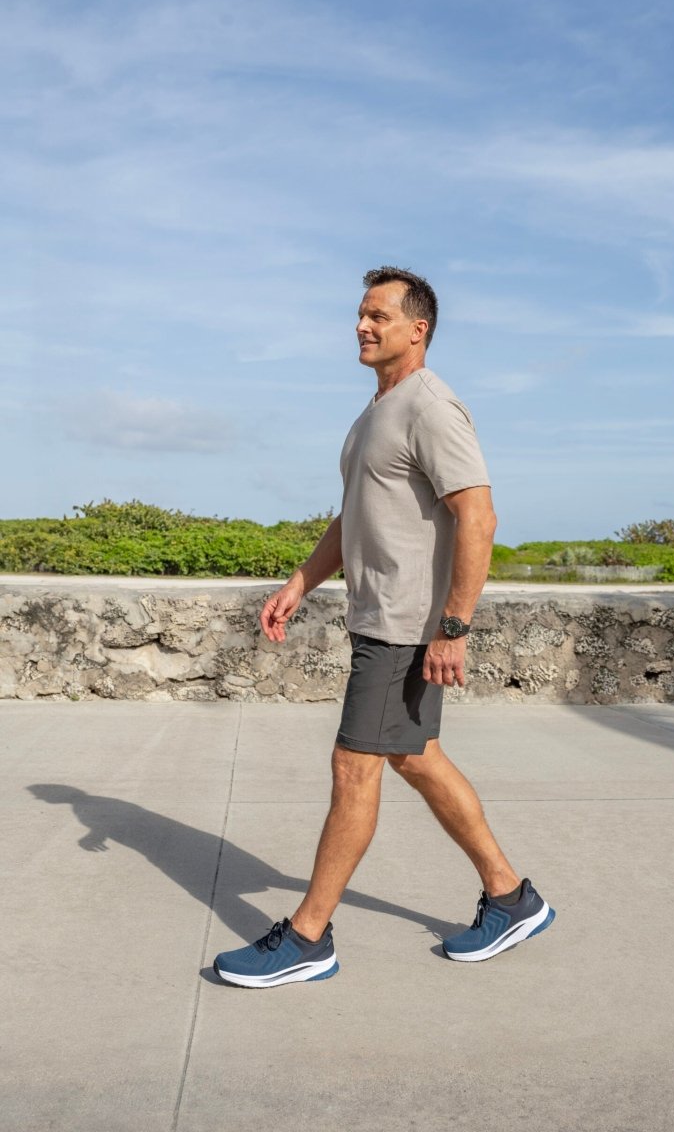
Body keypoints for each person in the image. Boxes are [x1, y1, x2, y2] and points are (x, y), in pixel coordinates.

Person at [213, 267, 555, 988]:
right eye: (360, 315)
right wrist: (301, 582)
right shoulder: (376, 412)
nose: (362, 326)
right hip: (381, 618)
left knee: (354, 768)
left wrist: (454, 626)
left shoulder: (431, 405)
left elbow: (478, 516)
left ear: (417, 329)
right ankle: (510, 897)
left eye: (378, 316)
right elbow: (355, 517)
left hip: (404, 626)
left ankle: (307, 937)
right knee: (416, 757)